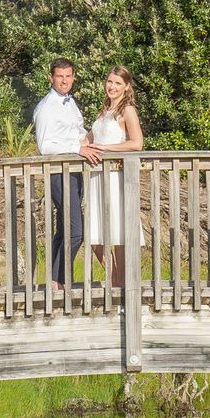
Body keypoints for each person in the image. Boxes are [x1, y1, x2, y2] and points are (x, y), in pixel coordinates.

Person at [32, 58, 102, 288]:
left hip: (74, 172)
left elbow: (78, 132)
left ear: (73, 77)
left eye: (68, 76)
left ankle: (53, 282)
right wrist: (77, 149)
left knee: (64, 230)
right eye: (60, 76)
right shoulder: (46, 108)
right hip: (59, 173)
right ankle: (62, 281)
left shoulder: (70, 103)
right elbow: (45, 146)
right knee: (76, 232)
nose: (64, 80)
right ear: (51, 77)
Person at [83, 67, 144, 288]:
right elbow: (87, 140)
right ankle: (114, 275)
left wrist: (106, 149)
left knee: (119, 232)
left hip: (116, 177)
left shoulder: (127, 110)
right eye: (109, 81)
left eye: (118, 83)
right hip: (96, 178)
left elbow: (137, 143)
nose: (112, 87)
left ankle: (121, 283)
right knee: (94, 234)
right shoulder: (104, 111)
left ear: (126, 86)